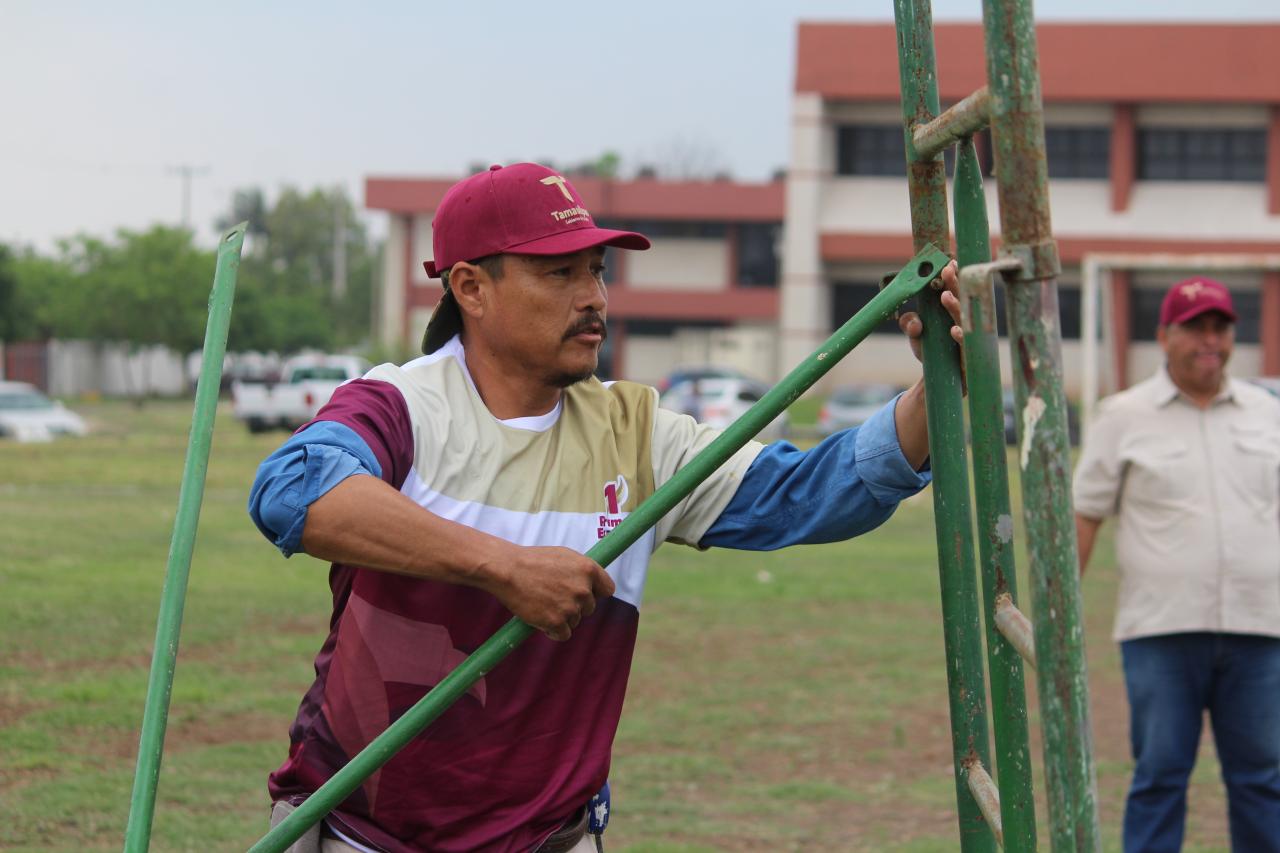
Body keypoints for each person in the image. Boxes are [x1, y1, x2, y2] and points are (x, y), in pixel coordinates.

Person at [249, 162, 963, 853]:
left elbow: (811, 492)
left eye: (596, 270)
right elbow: (292, 491)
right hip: (368, 835)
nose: (593, 297)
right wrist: (504, 568)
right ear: (471, 288)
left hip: (552, 837)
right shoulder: (401, 405)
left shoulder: (637, 431)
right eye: (559, 273)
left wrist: (936, 387)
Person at [1073, 277, 1280, 852]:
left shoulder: (1268, 415)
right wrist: (1057, 615)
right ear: (1164, 336)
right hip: (1161, 630)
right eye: (1195, 328)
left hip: (1261, 629)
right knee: (1160, 776)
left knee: (1263, 779)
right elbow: (1084, 515)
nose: (1210, 340)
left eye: (1220, 328)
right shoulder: (1123, 416)